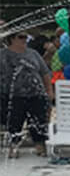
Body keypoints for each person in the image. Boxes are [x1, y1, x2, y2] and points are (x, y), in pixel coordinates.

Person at [2, 30, 53, 158]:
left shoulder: (33, 54)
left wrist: (49, 91)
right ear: (12, 39)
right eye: (21, 37)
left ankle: (39, 145)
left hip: (35, 93)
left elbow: (45, 73)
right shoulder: (3, 55)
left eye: (26, 37)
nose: (25, 39)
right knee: (14, 122)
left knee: (38, 121)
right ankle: (13, 146)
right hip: (13, 95)